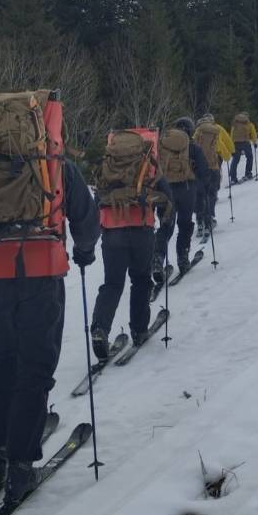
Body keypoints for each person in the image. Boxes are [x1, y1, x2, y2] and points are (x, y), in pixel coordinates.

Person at [0, 90, 100, 504]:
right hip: (41, 276)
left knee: (3, 362)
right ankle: (21, 466)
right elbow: (85, 217)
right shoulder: (54, 165)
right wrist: (85, 252)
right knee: (35, 370)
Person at [90, 128, 174, 358]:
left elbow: (96, 201)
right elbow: (167, 201)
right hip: (141, 232)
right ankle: (138, 330)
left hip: (112, 233)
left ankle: (100, 329)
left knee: (112, 285)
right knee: (140, 281)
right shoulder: (149, 165)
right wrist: (164, 231)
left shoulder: (107, 167)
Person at [154, 117, 209, 279]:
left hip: (164, 191)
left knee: (165, 226)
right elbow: (203, 171)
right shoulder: (193, 147)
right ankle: (183, 258)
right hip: (186, 190)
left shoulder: (162, 145)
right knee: (185, 225)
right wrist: (201, 187)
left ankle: (157, 258)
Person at [193, 114, 233, 238]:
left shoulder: (197, 132)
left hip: (198, 169)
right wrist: (228, 155)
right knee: (211, 193)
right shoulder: (216, 129)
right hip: (213, 166)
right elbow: (223, 143)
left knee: (200, 195)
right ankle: (209, 219)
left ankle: (199, 221)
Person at [228, 111, 258, 184]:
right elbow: (253, 133)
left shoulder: (235, 123)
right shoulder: (249, 123)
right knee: (249, 157)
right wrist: (255, 142)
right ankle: (248, 173)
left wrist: (231, 144)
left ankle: (233, 178)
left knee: (235, 160)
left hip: (235, 143)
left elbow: (231, 134)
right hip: (245, 142)